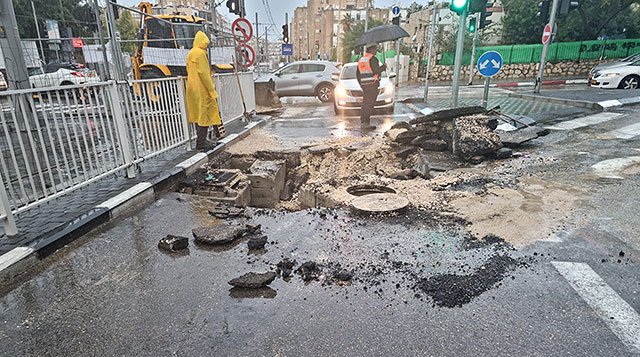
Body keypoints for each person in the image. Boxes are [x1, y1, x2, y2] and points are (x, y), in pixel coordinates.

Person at [186, 31, 222, 150]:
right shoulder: (201, 53)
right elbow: (203, 73)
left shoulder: (191, 53)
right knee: (204, 114)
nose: (206, 47)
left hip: (192, 88)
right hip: (202, 88)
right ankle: (201, 143)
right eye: (206, 44)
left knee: (198, 114)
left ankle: (201, 140)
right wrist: (212, 90)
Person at [356, 43, 387, 130]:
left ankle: (363, 122)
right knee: (370, 104)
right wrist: (383, 67)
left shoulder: (361, 59)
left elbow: (357, 74)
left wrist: (361, 84)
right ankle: (366, 123)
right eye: (375, 49)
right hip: (372, 84)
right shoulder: (373, 59)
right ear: (372, 50)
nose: (376, 51)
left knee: (365, 104)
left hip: (365, 85)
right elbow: (375, 71)